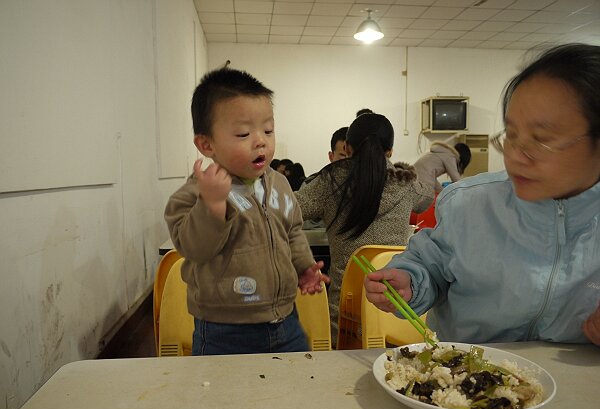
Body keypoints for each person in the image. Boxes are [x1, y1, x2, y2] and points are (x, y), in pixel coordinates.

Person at [364, 43, 600, 346]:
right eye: (511, 135)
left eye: (541, 140)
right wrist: (411, 281)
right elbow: (430, 263)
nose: (515, 155)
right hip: (467, 375)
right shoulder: (470, 204)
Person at [164, 67, 328, 356]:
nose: (260, 140)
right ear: (206, 144)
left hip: (285, 320)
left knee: (293, 389)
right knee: (227, 398)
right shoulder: (198, 192)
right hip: (223, 329)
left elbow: (292, 230)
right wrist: (212, 206)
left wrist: (303, 267)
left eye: (268, 130)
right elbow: (194, 248)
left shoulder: (279, 183)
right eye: (243, 133)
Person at [296, 113, 434, 346]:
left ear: (348, 148)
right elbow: (427, 198)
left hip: (345, 318)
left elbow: (288, 209)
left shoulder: (329, 181)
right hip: (398, 313)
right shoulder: (406, 183)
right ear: (390, 151)